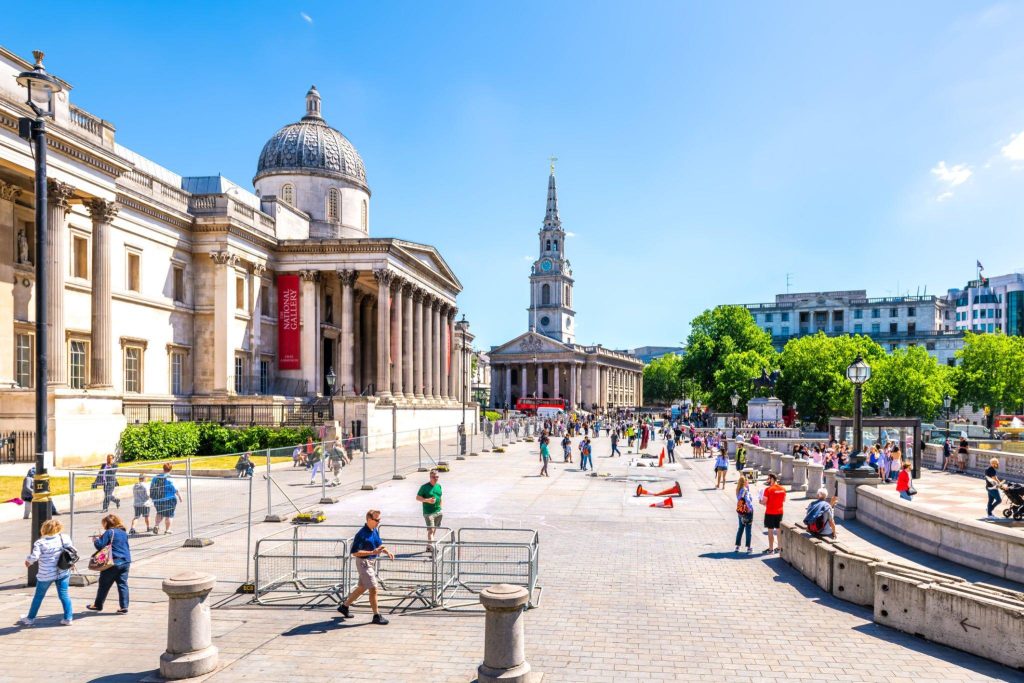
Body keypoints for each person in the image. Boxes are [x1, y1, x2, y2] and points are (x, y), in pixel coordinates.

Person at [337, 509, 395, 625]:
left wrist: (387, 551)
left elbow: (379, 545)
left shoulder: (374, 530)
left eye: (379, 519)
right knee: (373, 588)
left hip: (370, 562)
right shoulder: (361, 534)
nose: (379, 521)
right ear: (369, 519)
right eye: (377, 519)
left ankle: (344, 607)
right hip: (364, 563)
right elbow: (355, 552)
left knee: (362, 587)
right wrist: (372, 552)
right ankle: (376, 616)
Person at [20, 518, 76, 626]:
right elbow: (72, 551)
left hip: (46, 574)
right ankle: (68, 618)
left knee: (38, 596)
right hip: (63, 572)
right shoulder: (64, 538)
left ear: (44, 529)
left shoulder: (40, 542)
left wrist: (28, 561)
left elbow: (34, 557)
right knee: (64, 595)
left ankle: (30, 619)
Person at [86, 514, 132, 614]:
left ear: (107, 523)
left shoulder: (109, 532)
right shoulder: (123, 532)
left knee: (104, 584)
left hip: (113, 562)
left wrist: (96, 540)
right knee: (122, 584)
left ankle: (97, 605)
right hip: (126, 561)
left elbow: (100, 546)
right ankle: (124, 607)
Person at [416, 469, 443, 553]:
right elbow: (417, 498)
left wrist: (441, 508)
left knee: (434, 529)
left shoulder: (439, 486)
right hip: (428, 513)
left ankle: (428, 546)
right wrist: (427, 500)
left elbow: (440, 497)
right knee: (431, 530)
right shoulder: (424, 487)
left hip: (438, 511)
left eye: (437, 477)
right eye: (434, 477)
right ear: (430, 477)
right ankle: (433, 548)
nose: (436, 478)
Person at [150, 464, 182, 535]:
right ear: (170, 469)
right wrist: (179, 496)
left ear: (163, 468)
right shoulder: (171, 478)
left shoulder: (156, 477)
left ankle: (156, 525)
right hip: (169, 499)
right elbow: (175, 489)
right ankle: (168, 530)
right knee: (169, 515)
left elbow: (152, 487)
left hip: (158, 499)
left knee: (159, 513)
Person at [761, 473, 786, 553]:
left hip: (770, 512)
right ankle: (779, 548)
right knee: (778, 530)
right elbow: (784, 500)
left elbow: (764, 502)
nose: (767, 480)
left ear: (772, 479)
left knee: (770, 531)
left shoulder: (768, 489)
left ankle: (771, 549)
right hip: (780, 512)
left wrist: (760, 501)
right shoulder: (783, 489)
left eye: (768, 479)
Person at [734, 474, 754, 553]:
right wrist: (750, 508)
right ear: (745, 482)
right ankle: (748, 547)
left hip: (740, 512)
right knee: (748, 529)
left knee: (740, 528)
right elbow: (748, 500)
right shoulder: (745, 490)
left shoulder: (738, 490)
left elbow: (740, 499)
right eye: (747, 482)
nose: (748, 483)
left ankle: (737, 546)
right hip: (747, 512)